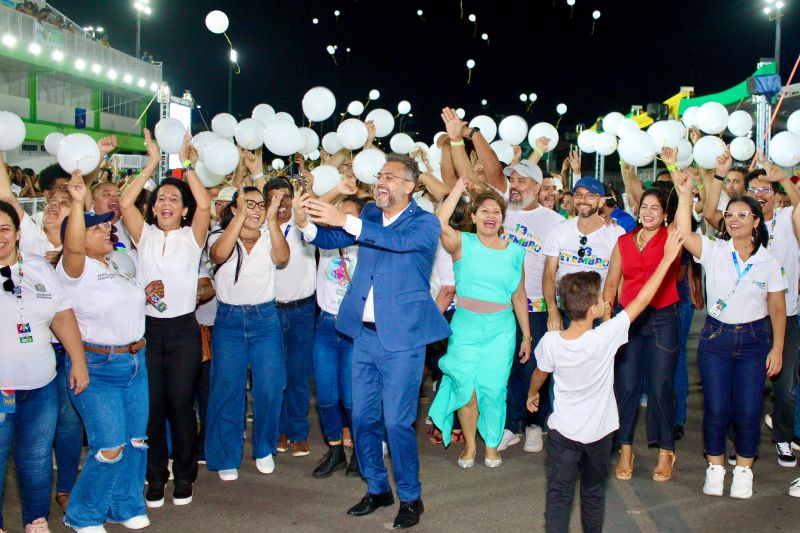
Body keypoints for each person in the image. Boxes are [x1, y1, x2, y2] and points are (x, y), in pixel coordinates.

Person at [297, 153, 450, 529]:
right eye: (379, 176)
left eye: (390, 177)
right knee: (363, 418)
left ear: (410, 186)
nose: (381, 182)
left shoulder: (426, 224)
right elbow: (334, 235)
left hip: (403, 341)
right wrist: (307, 224)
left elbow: (392, 241)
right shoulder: (367, 215)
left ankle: (411, 497)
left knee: (397, 423)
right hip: (363, 337)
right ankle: (378, 488)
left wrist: (343, 218)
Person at [526, 229, 684, 533]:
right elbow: (643, 299)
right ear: (593, 308)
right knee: (593, 494)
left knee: (558, 496)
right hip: (599, 435)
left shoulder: (551, 342)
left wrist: (533, 393)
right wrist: (666, 260)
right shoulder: (606, 337)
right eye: (601, 297)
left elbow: (539, 374)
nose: (605, 299)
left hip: (563, 435)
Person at [675, 162, 786, 499]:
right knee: (717, 408)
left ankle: (744, 471)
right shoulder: (715, 250)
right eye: (730, 215)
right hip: (716, 339)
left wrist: (777, 347)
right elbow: (683, 233)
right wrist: (683, 195)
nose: (734, 219)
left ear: (756, 222)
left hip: (754, 341)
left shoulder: (769, 261)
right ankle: (716, 467)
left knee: (749, 409)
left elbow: (777, 308)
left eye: (742, 214)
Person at [120, 131, 211, 507]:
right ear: (153, 208)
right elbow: (126, 202)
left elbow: (205, 204)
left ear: (184, 210)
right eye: (161, 199)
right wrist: (153, 163)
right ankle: (155, 476)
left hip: (183, 330)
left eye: (174, 199)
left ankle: (184, 474)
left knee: (180, 404)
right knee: (152, 407)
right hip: (148, 332)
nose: (167, 203)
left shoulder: (193, 237)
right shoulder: (144, 236)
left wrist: (186, 165)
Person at [57, 173, 150, 532]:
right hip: (98, 365)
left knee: (135, 441)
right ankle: (83, 514)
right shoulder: (74, 271)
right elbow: (74, 247)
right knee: (109, 444)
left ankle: (125, 505)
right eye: (98, 229)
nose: (108, 231)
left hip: (135, 362)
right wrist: (79, 202)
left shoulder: (117, 265)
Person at [703, 151, 800, 468]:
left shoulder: (787, 219)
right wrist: (718, 174)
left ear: (776, 193)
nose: (761, 193)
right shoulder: (737, 222)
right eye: (755, 189)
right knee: (739, 393)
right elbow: (709, 213)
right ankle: (739, 445)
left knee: (783, 387)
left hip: (785, 313)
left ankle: (782, 438)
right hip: (741, 321)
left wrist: (783, 175)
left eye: (766, 188)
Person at [0, 199, 89, 533]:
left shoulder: (38, 267)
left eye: (5, 229)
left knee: (36, 457)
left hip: (41, 385)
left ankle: (35, 519)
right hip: (2, 389)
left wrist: (78, 362)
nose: (0, 236)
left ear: (17, 232)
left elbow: (62, 316)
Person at [428, 177, 529, 468]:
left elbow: (519, 296)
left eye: (496, 212)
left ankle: (492, 445)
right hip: (466, 327)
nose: (490, 216)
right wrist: (458, 187)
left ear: (502, 219)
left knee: (494, 390)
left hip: (502, 329)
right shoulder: (463, 243)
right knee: (467, 390)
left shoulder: (514, 251)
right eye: (484, 211)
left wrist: (526, 336)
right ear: (473, 216)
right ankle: (471, 446)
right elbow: (439, 221)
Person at [205, 186, 289, 480]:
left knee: (269, 386)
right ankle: (226, 454)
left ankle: (264, 447)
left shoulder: (270, 236)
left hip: (265, 320)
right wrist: (240, 216)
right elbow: (218, 255)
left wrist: (272, 221)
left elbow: (282, 257)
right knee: (228, 388)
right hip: (229, 321)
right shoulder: (219, 235)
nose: (254, 209)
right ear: (234, 208)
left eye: (260, 204)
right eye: (247, 204)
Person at [602, 184, 681, 482]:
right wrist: (609, 321)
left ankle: (666, 450)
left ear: (664, 216)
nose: (648, 212)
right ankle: (625, 449)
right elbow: (611, 284)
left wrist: (682, 188)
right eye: (644, 206)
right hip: (628, 319)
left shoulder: (671, 238)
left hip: (664, 317)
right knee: (626, 385)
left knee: (661, 385)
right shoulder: (623, 241)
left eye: (655, 208)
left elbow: (683, 217)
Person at [500, 159, 564, 453]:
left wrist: (555, 308)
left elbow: (560, 268)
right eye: (513, 180)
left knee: (535, 368)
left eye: (522, 181)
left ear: (538, 187)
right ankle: (511, 424)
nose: (515, 186)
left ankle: (535, 424)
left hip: (537, 305)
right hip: (501, 305)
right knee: (508, 367)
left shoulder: (554, 222)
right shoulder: (500, 213)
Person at [299, 195, 364, 478]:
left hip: (354, 328)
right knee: (326, 394)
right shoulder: (325, 243)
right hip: (325, 325)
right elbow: (308, 227)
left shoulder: (369, 247)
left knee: (351, 398)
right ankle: (335, 449)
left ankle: (361, 454)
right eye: (340, 214)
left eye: (351, 216)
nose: (344, 221)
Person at [268, 177, 317, 458]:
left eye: (285, 196)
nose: (281, 203)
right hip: (269, 311)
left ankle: (298, 432)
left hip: (302, 310)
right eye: (273, 198)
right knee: (274, 377)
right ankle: (278, 430)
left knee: (298, 375)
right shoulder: (262, 229)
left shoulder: (305, 224)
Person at [543, 177, 625, 332]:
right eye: (579, 195)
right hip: (565, 312)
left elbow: (617, 280)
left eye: (590, 195)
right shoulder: (559, 230)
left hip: (598, 314)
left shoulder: (616, 233)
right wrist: (552, 311)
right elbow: (548, 274)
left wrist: (608, 319)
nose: (583, 200)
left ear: (601, 201)